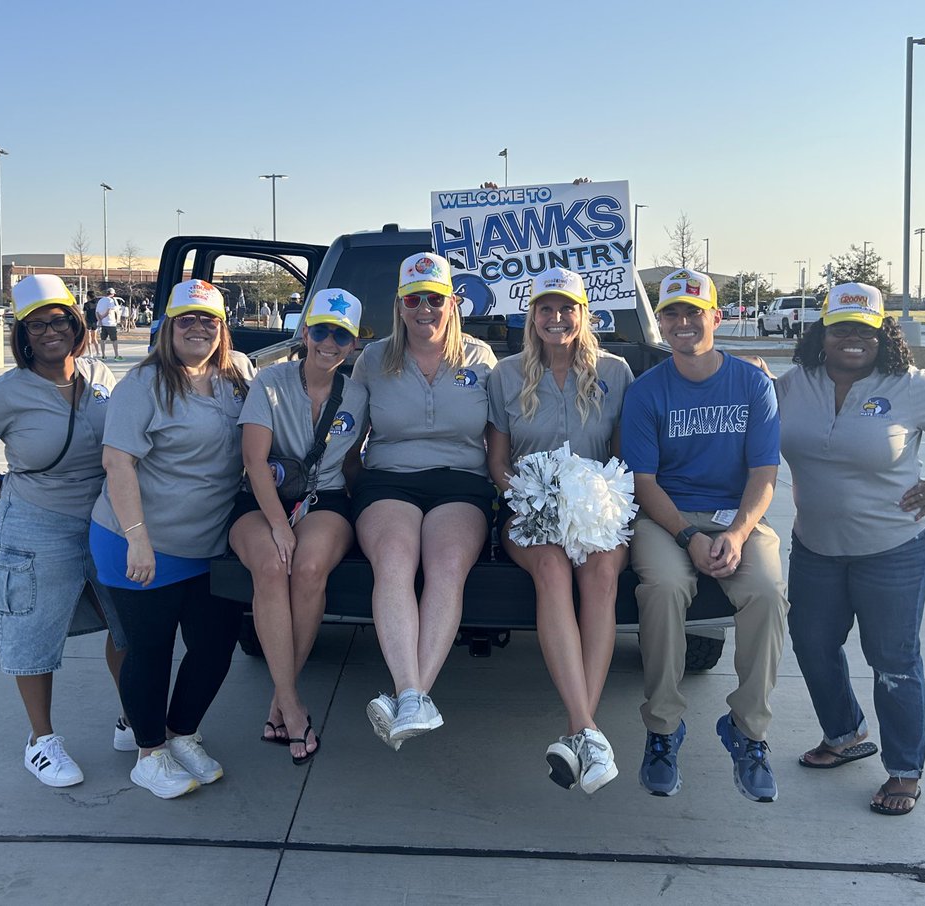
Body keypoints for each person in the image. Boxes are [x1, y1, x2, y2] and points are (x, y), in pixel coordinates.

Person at [777, 282, 925, 817]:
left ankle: (904, 770)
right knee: (811, 645)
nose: (853, 337)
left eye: (865, 328)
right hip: (816, 546)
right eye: (841, 326)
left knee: (892, 659)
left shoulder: (910, 385)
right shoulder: (792, 384)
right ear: (822, 332)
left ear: (883, 333)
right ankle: (846, 734)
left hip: (894, 548)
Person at [0, 274, 127, 788]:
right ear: (22, 335)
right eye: (37, 324)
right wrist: (10, 490)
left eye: (61, 320)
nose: (51, 332)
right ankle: (41, 740)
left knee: (127, 624)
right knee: (32, 630)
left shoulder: (100, 376)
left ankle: (131, 717)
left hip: (103, 517)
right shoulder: (5, 393)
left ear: (78, 324)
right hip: (36, 523)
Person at [620, 268, 788, 802]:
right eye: (672, 313)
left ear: (717, 316)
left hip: (737, 517)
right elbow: (643, 483)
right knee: (665, 589)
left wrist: (737, 533)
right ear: (661, 324)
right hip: (667, 518)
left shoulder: (752, 382)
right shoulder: (647, 392)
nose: (684, 322)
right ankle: (663, 729)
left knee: (766, 592)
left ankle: (747, 729)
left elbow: (764, 474)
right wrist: (689, 535)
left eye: (695, 312)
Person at [91, 278, 255, 799]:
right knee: (151, 650)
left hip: (209, 545)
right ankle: (148, 751)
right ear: (167, 326)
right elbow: (117, 462)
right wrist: (138, 539)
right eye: (186, 319)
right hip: (140, 543)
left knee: (214, 646)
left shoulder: (238, 375)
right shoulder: (142, 385)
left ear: (223, 327)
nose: (199, 328)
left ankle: (182, 732)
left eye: (209, 319)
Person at [486, 267, 633, 794]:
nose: (556, 318)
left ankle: (580, 730)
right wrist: (534, 498)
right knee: (550, 568)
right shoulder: (505, 374)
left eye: (567, 307)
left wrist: (597, 501)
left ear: (583, 314)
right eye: (545, 308)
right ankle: (588, 730)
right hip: (531, 509)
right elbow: (498, 462)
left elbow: (622, 455)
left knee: (601, 574)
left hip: (597, 511)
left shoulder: (616, 372)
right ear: (532, 316)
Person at [350, 252, 496, 749]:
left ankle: (410, 696)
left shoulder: (480, 358)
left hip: (461, 480)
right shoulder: (373, 358)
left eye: (435, 299)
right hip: (389, 477)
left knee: (448, 564)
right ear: (399, 305)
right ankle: (414, 697)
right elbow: (346, 431)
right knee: (392, 559)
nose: (424, 310)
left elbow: (505, 432)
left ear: (453, 303)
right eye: (414, 300)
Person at [229, 288, 368, 764]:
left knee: (308, 569)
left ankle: (280, 701)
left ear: (353, 344)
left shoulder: (359, 394)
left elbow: (352, 462)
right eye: (322, 330)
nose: (330, 343)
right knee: (271, 565)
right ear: (304, 332)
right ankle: (291, 702)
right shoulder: (269, 382)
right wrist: (279, 525)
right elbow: (253, 459)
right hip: (261, 497)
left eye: (342, 335)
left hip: (324, 498)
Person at [95, 288, 123, 361]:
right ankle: (116, 355)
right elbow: (109, 311)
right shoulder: (111, 301)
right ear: (112, 294)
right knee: (114, 340)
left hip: (102, 323)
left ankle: (103, 355)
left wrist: (99, 320)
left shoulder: (100, 300)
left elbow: (97, 312)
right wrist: (103, 317)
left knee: (103, 339)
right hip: (110, 323)